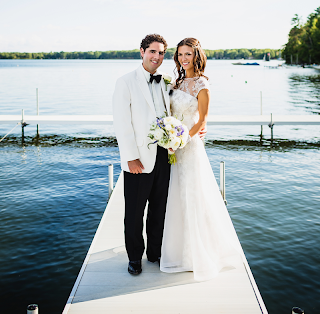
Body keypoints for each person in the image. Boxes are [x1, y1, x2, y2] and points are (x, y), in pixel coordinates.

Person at [160, 38, 242, 281]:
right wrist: (168, 138)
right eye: (180, 55)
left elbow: (202, 121)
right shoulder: (176, 81)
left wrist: (181, 140)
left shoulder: (202, 85)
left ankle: (198, 254)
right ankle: (175, 252)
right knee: (174, 197)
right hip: (172, 146)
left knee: (193, 195)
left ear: (197, 56)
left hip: (189, 146)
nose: (184, 58)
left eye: (188, 54)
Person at [112, 34, 171, 275]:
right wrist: (130, 156)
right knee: (135, 213)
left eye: (161, 53)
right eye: (152, 52)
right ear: (142, 52)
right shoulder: (125, 82)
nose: (157, 57)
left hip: (165, 155)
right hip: (138, 158)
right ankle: (134, 257)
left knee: (159, 208)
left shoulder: (167, 81)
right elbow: (122, 123)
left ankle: (155, 253)